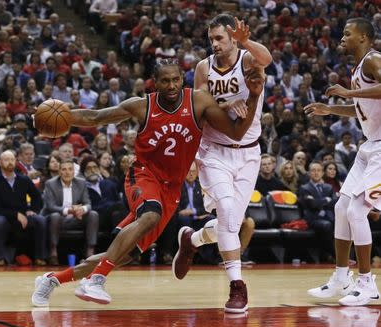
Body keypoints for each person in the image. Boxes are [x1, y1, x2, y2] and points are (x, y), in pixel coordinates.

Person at [31, 58, 265, 307]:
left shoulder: (198, 101)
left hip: (171, 189)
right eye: (165, 80)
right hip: (144, 175)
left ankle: (52, 280)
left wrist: (252, 97)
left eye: (176, 79)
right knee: (150, 215)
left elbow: (237, 132)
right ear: (155, 83)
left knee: (123, 255)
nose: (172, 85)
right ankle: (96, 279)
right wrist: (59, 117)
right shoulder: (142, 106)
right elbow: (95, 116)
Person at [171, 14, 272, 313]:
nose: (214, 44)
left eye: (219, 38)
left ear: (232, 38)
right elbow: (200, 104)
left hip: (249, 151)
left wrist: (246, 41)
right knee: (228, 212)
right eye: (211, 39)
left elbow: (266, 58)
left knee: (231, 223)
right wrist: (225, 106)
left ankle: (192, 239)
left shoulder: (249, 60)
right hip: (215, 150)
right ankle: (237, 286)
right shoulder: (204, 66)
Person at [305, 18, 381, 306]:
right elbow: (364, 107)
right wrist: (331, 109)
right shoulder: (360, 68)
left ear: (363, 37)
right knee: (341, 207)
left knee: (358, 209)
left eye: (347, 33)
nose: (341, 37)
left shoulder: (374, 60)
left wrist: (349, 93)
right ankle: (341, 277)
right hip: (369, 146)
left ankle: (367, 283)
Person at [0, 150, 47, 266]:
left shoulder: (24, 180)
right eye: (6, 160)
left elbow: (37, 197)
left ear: (16, 162)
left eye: (12, 159)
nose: (10, 162)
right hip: (6, 218)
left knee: (40, 220)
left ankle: (40, 257)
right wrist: (15, 215)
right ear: (0, 163)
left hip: (24, 216)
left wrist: (33, 210)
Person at [42, 159, 99, 265]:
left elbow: (88, 203)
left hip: (77, 218)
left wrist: (82, 209)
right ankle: (53, 253)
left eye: (70, 169)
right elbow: (50, 206)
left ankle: (90, 253)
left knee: (93, 214)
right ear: (59, 172)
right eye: (64, 169)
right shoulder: (50, 184)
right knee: (55, 216)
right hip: (58, 218)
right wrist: (69, 211)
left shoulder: (81, 183)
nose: (67, 172)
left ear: (74, 171)